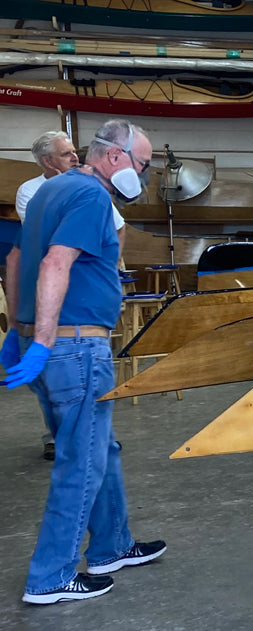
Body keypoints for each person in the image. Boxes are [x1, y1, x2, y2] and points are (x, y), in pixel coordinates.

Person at [2, 120, 166, 604]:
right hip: (74, 348)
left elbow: (16, 261)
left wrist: (19, 331)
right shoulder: (93, 196)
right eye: (143, 163)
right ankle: (50, 576)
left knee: (101, 449)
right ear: (115, 158)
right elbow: (54, 264)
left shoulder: (50, 191)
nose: (144, 172)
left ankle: (113, 544)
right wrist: (46, 341)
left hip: (51, 346)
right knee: (82, 463)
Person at [7, 130, 124, 461]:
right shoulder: (32, 191)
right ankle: (59, 437)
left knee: (83, 386)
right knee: (59, 375)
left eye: (75, 151)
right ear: (46, 161)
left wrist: (107, 266)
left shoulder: (91, 190)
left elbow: (117, 227)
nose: (75, 157)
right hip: (49, 282)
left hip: (77, 286)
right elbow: (41, 246)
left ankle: (97, 441)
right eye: (66, 153)